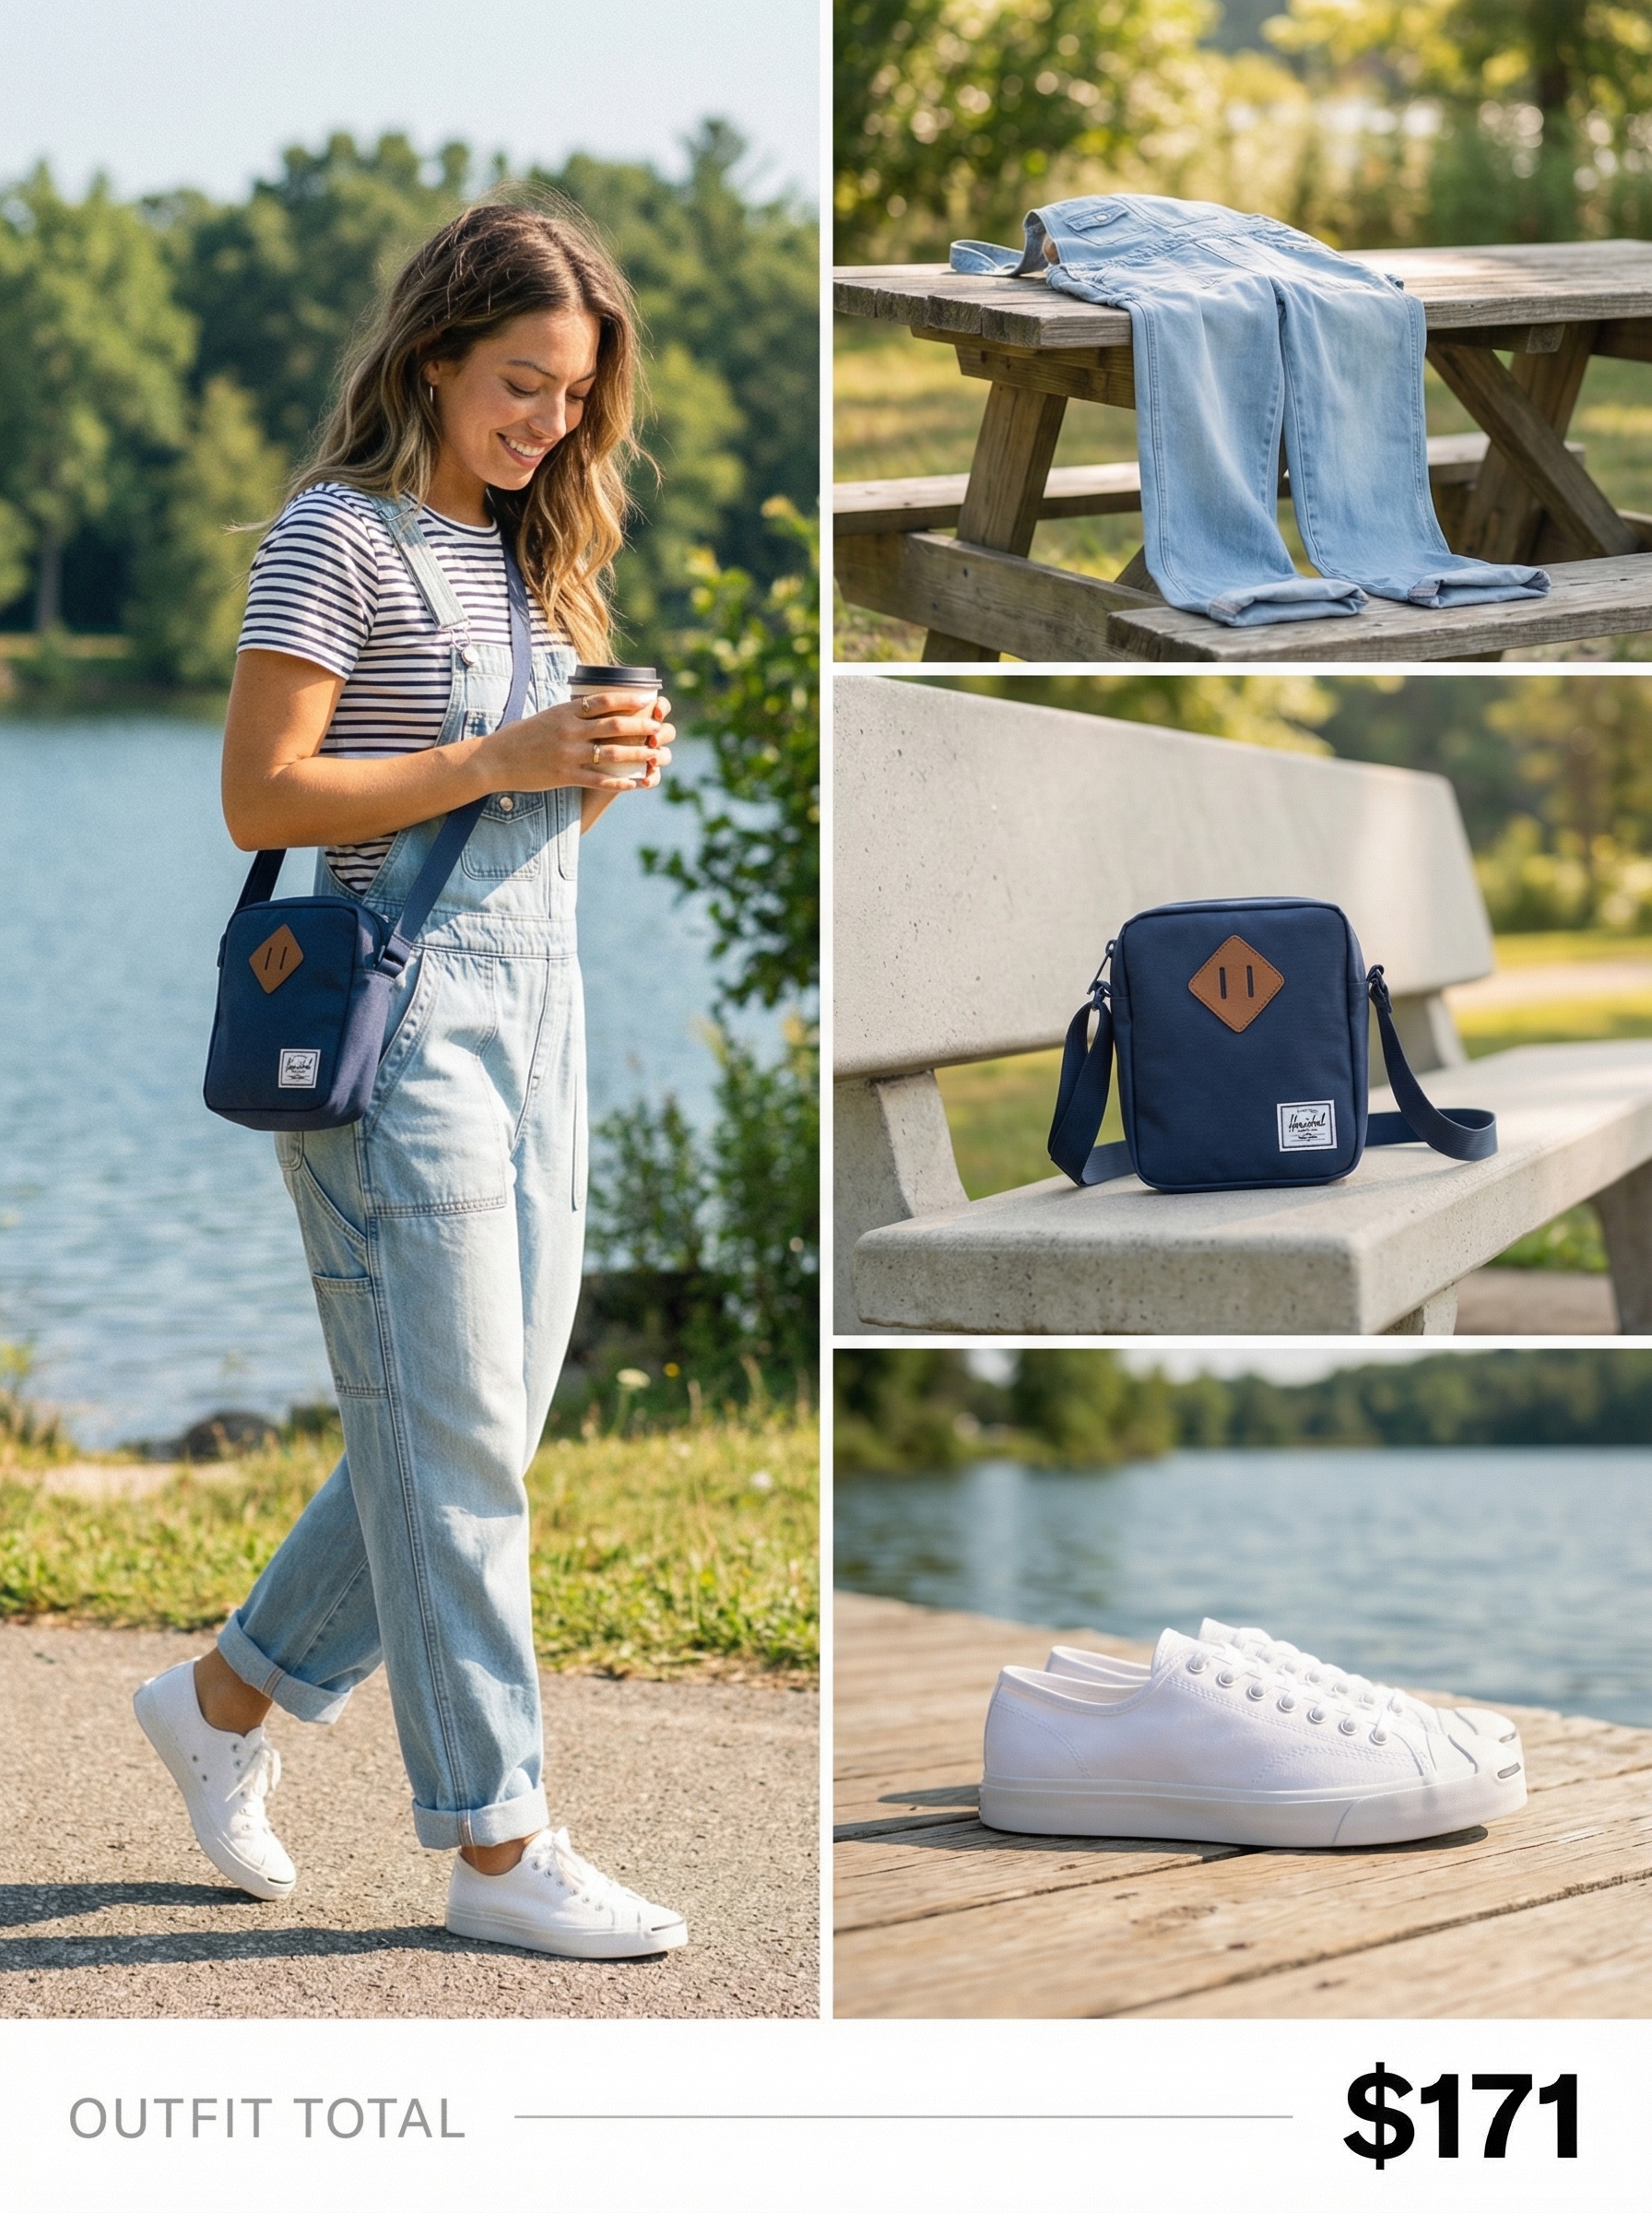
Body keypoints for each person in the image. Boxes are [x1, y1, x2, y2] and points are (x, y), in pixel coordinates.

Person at [132, 200, 687, 1961]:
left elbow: (516, 821)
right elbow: (265, 797)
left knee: (475, 1432)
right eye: (521, 383)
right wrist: (506, 752)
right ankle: (500, 1847)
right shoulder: (337, 537)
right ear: (435, 357)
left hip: (546, 1016)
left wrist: (595, 769)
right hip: (397, 1023)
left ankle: (220, 1702)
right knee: (452, 1445)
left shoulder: (533, 559)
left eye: (574, 397)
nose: (547, 423)